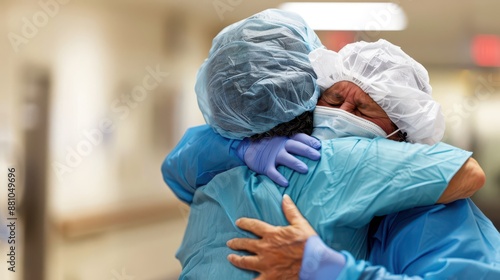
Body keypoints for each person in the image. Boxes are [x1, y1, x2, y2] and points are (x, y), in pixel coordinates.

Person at [162, 9, 490, 279]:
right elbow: (183, 160)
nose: (340, 115)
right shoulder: (291, 157)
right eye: (332, 100)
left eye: (363, 109)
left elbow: (468, 174)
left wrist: (334, 270)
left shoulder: (436, 210)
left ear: (401, 135)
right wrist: (241, 150)